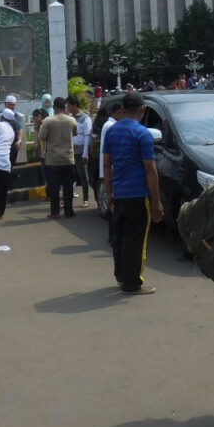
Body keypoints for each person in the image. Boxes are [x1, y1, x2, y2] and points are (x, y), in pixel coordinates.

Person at [102, 92, 163, 294]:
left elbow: (107, 164)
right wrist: (156, 201)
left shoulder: (111, 131)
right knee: (136, 241)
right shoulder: (142, 133)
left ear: (123, 109)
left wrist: (110, 191)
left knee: (119, 238)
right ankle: (133, 283)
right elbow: (150, 170)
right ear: (142, 109)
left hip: (119, 194)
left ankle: (121, 277)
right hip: (138, 195)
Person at [39, 97, 78, 218]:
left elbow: (41, 136)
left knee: (54, 188)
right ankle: (69, 211)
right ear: (65, 107)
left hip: (52, 160)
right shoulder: (71, 120)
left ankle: (55, 212)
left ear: (54, 107)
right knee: (68, 188)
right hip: (68, 159)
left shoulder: (48, 121)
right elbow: (75, 133)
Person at [67, 95, 93, 208]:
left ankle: (86, 198)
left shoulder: (85, 118)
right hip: (70, 150)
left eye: (68, 105)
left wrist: (85, 153)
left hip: (81, 150)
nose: (67, 108)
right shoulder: (69, 117)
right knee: (69, 175)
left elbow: (88, 136)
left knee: (83, 175)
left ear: (74, 105)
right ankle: (68, 197)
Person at [2, 95, 26, 173]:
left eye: (13, 105)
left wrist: (19, 140)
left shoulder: (18, 116)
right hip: (2, 143)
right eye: (9, 104)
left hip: (13, 143)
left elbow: (20, 129)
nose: (11, 106)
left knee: (11, 162)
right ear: (5, 104)